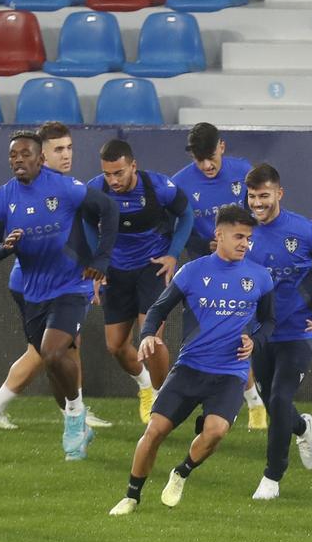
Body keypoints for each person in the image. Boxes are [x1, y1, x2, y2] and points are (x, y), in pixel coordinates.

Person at [109, 205, 273, 515]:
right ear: (219, 235)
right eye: (238, 236)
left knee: (215, 431)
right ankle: (131, 496)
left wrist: (256, 340)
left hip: (229, 374)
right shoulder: (193, 272)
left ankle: (181, 472)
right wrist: (146, 334)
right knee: (154, 430)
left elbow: (270, 322)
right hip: (190, 368)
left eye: (248, 238)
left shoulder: (260, 277)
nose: (244, 244)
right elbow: (158, 309)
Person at [0, 131, 119, 461]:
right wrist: (4, 248)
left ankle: (74, 416)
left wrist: (101, 259)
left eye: (25, 154)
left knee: (53, 353)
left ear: (40, 159)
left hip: (71, 286)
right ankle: (78, 421)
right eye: (13, 156)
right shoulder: (2, 197)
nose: (18, 160)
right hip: (33, 292)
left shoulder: (63, 187)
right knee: (55, 362)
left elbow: (109, 208)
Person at [242, 162, 312, 500]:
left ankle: (272, 478)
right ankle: (303, 427)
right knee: (275, 405)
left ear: (279, 193)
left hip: (299, 331)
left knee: (278, 397)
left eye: (264, 196)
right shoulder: (242, 234)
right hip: (259, 335)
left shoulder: (305, 231)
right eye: (252, 197)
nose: (258, 203)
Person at [89, 138, 193, 423]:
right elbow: (86, 221)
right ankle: (145, 386)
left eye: (119, 173)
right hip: (116, 272)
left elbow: (186, 215)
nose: (113, 180)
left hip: (152, 268)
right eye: (108, 174)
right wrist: (98, 263)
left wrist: (173, 255)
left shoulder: (159, 187)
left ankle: (161, 399)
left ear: (133, 166)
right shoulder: (96, 190)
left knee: (151, 340)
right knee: (116, 346)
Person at [172, 121, 267, 429]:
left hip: (241, 271)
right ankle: (222, 405)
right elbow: (179, 228)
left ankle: (253, 403)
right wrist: (203, 245)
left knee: (237, 338)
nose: (206, 164)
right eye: (199, 159)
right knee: (200, 340)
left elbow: (261, 215)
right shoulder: (181, 183)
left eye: (210, 156)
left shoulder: (244, 173)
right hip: (201, 273)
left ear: (221, 147)